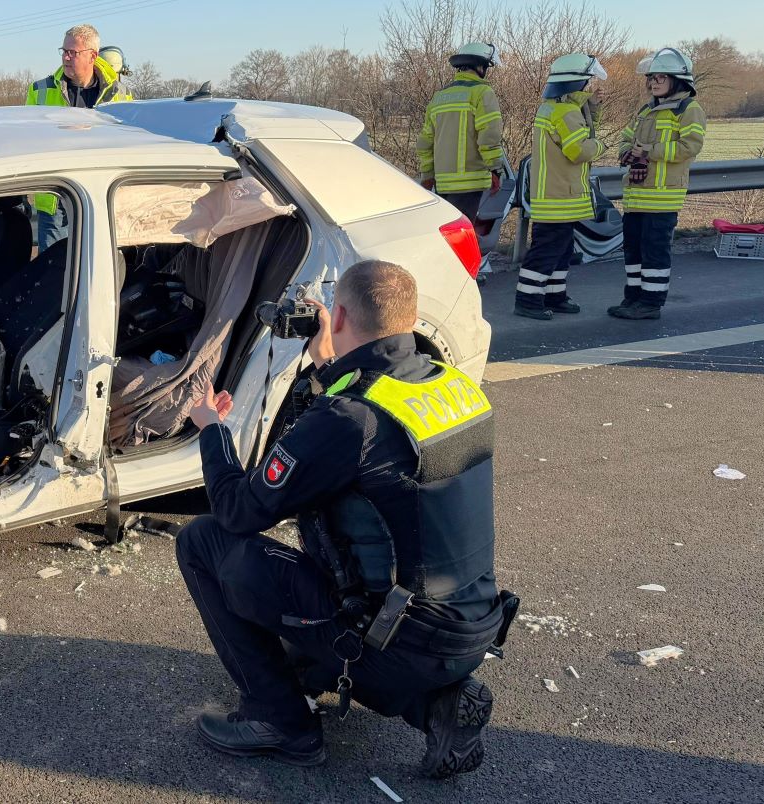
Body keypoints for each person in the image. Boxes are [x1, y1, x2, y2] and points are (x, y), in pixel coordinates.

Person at [177, 260, 511, 778]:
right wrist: (325, 369)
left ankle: (280, 723)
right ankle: (435, 706)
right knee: (299, 654)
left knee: (204, 542)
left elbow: (242, 510)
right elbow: (331, 450)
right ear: (411, 317)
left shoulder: (351, 417)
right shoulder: (451, 385)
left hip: (394, 632)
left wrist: (212, 430)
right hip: (470, 623)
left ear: (337, 317)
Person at [610, 48, 707, 320]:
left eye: (660, 77)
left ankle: (651, 303)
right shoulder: (646, 109)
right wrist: (628, 151)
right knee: (633, 250)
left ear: (678, 79)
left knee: (654, 252)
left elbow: (689, 147)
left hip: (663, 197)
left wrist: (648, 150)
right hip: (636, 195)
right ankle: (633, 298)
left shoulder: (689, 110)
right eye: (651, 78)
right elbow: (625, 139)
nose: (653, 83)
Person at [23, 24, 133, 252]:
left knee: (97, 268)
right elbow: (25, 143)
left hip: (102, 199)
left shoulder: (120, 95)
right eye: (64, 51)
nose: (66, 57)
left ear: (92, 55)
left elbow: (128, 145)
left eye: (73, 52)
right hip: (55, 199)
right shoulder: (40, 90)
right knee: (51, 273)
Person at [517, 53, 608, 320]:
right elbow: (578, 150)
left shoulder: (554, 107)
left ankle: (554, 296)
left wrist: (592, 110)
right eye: (589, 80)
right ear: (579, 81)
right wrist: (602, 146)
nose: (592, 85)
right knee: (547, 250)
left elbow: (577, 132)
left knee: (561, 249)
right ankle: (528, 299)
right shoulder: (566, 112)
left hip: (553, 193)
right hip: (559, 195)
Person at [417, 42, 506, 233]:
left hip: (442, 183)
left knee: (447, 235)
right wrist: (496, 169)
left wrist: (427, 175)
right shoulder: (482, 93)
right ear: (480, 66)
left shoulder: (439, 96)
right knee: (462, 238)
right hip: (470, 182)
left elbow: (425, 141)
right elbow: (489, 137)